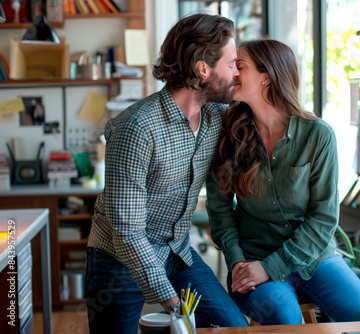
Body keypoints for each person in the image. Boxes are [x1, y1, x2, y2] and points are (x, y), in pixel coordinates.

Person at [85, 14, 249, 333]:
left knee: (232, 326)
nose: (237, 72)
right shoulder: (137, 129)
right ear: (203, 68)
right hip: (119, 258)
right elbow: (128, 232)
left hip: (177, 250)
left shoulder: (216, 117)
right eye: (231, 64)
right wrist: (173, 304)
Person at [206, 39, 360, 325]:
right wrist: (238, 262)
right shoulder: (226, 135)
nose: (233, 73)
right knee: (285, 317)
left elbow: (323, 219)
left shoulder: (318, 135)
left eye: (240, 66)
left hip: (313, 258)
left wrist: (272, 267)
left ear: (267, 77)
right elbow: (220, 210)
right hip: (252, 257)